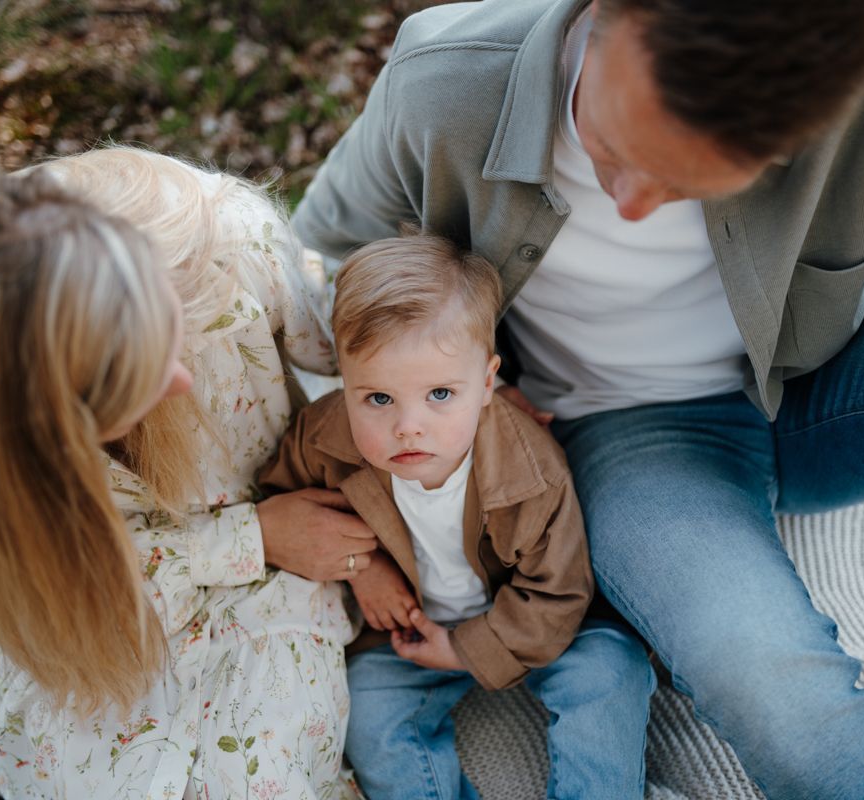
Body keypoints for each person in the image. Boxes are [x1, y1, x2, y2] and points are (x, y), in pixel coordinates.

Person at [289, 0, 864, 797]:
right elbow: (312, 271)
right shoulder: (442, 83)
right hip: (628, 435)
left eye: (692, 183)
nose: (626, 203)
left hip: (824, 389)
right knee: (772, 685)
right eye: (613, 148)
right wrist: (460, 401)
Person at [0, 146, 371, 799]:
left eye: (166, 337)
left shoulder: (231, 256)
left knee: (265, 781)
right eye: (132, 382)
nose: (181, 378)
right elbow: (30, 591)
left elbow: (347, 364)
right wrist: (250, 539)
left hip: (272, 576)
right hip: (87, 605)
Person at [257, 231, 655, 799]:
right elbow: (285, 504)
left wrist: (468, 648)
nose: (408, 426)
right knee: (369, 719)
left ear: (488, 382)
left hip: (529, 620)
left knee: (610, 674)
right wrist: (361, 567)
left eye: (440, 394)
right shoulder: (324, 440)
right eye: (377, 398)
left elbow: (558, 592)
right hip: (402, 635)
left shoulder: (529, 474)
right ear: (343, 384)